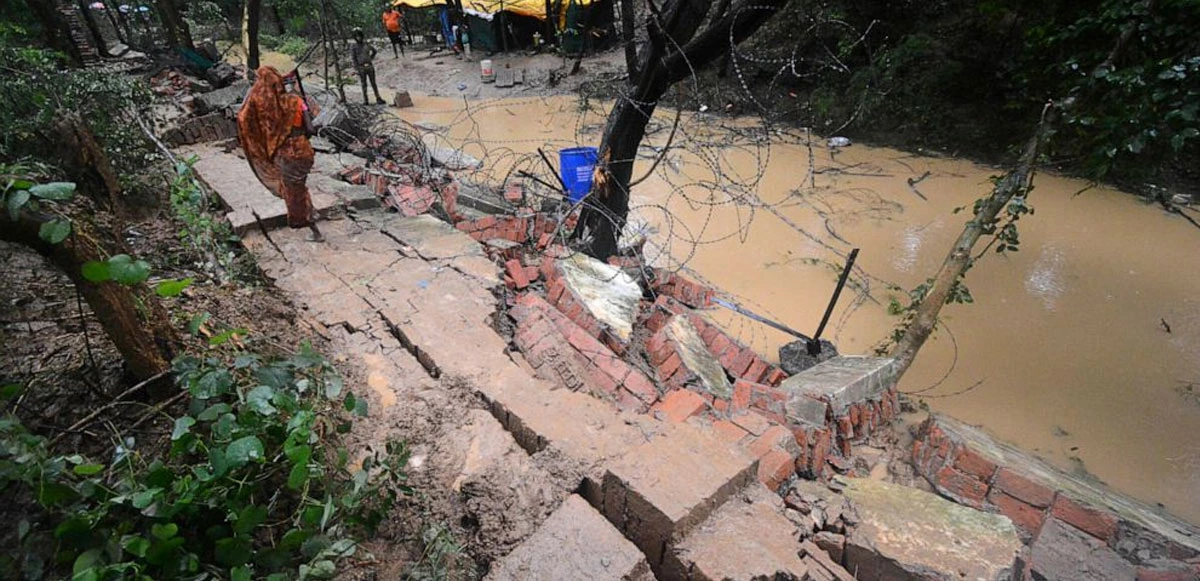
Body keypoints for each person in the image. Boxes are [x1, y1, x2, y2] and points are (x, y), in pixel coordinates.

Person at [236, 66, 324, 242]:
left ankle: (313, 227)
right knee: (298, 187)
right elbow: (311, 129)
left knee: (294, 192)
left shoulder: (264, 108)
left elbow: (242, 118)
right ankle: (311, 213)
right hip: (305, 151)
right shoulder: (296, 101)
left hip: (285, 155)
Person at [350, 28, 386, 105]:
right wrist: (356, 68)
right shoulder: (354, 46)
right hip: (361, 67)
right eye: (357, 36)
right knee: (364, 84)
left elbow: (374, 51)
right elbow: (353, 58)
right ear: (355, 37)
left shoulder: (366, 44)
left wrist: (370, 58)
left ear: (362, 36)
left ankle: (378, 98)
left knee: (373, 83)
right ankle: (366, 100)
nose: (358, 38)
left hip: (369, 66)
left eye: (359, 36)